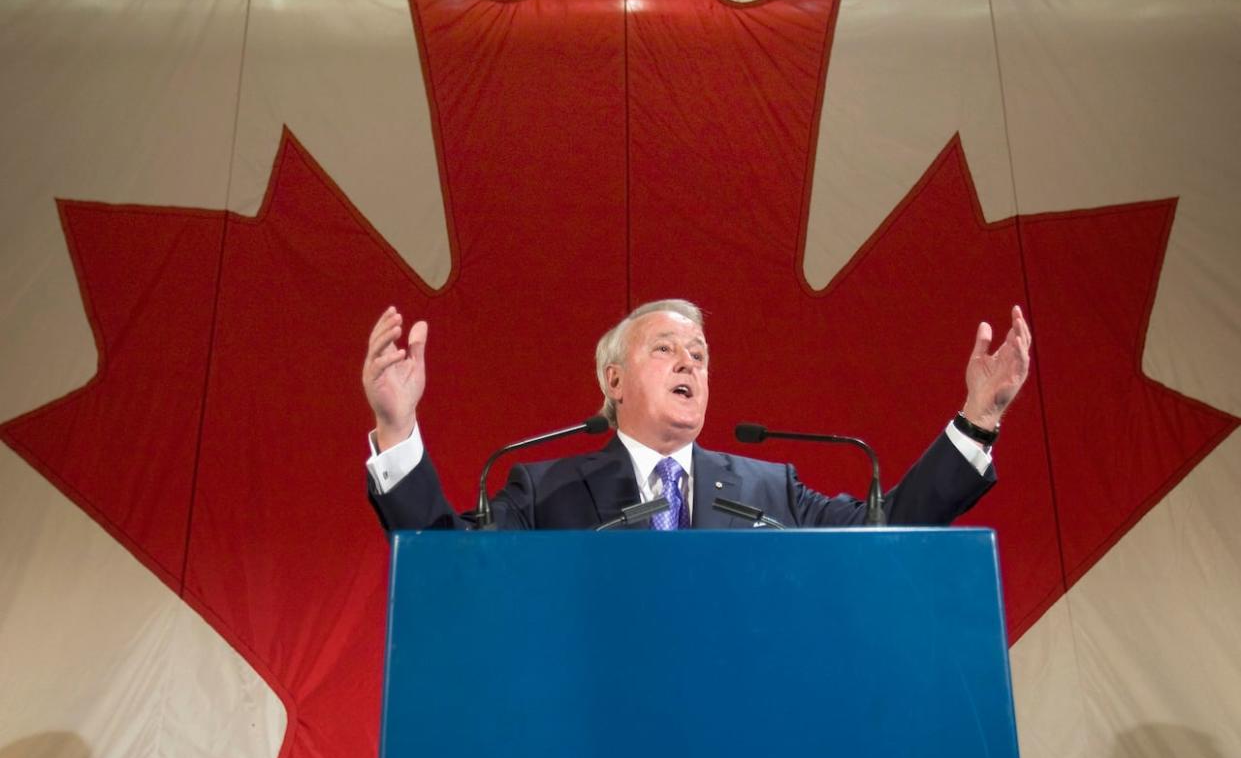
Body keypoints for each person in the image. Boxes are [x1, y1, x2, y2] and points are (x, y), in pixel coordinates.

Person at [362, 299, 1032, 531]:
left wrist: (977, 418)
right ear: (614, 380)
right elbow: (447, 565)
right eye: (666, 350)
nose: (689, 364)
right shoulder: (543, 493)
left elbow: (887, 530)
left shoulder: (770, 491)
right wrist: (396, 428)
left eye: (700, 354)